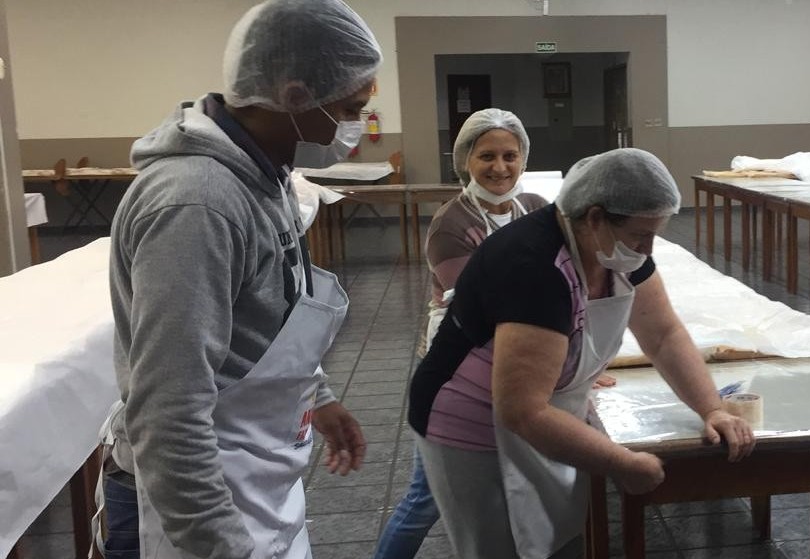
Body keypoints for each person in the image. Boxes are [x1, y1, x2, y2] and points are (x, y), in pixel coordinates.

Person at [105, 1, 380, 557]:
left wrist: (316, 395)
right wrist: (220, 547)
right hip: (191, 509)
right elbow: (168, 413)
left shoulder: (265, 172)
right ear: (297, 96)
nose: (356, 126)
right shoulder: (198, 204)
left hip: (248, 477)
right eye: (351, 108)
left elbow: (270, 310)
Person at [408, 148, 757, 558]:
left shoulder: (616, 251)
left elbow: (662, 334)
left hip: (544, 411)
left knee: (560, 538)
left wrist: (711, 408)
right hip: (469, 423)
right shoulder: (534, 266)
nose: (648, 249)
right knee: (501, 546)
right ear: (594, 218)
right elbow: (522, 411)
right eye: (641, 235)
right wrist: (621, 462)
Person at [375, 107, 547, 559]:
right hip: (457, 370)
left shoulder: (536, 209)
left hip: (513, 360)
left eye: (511, 155)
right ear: (464, 161)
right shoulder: (452, 224)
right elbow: (486, 308)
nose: (500, 167)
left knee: (514, 480)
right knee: (426, 497)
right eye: (486, 155)